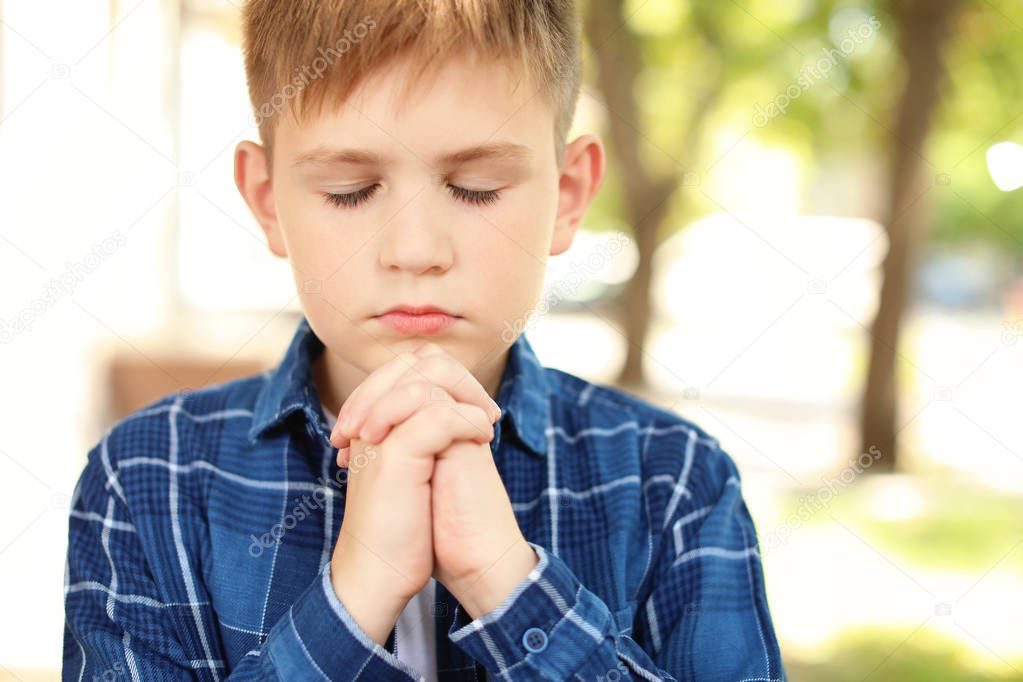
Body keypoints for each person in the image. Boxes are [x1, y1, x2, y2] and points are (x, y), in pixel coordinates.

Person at [62, 1, 786, 679]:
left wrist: (509, 585)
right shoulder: (147, 480)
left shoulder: (674, 485)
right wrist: (351, 599)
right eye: (349, 190)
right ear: (267, 200)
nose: (414, 250)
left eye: (474, 187)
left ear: (566, 195)